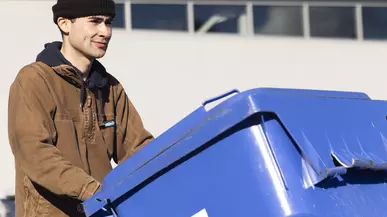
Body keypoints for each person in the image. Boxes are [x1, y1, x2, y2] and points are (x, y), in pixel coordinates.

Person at [7, 0, 154, 216]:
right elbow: (35, 154)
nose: (105, 32)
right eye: (94, 21)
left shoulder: (111, 88)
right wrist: (95, 192)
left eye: (108, 22)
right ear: (65, 23)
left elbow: (138, 150)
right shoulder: (34, 80)